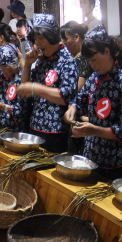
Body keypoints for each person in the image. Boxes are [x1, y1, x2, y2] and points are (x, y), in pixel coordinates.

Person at [65, 27, 122, 180]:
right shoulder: (94, 78)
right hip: (91, 155)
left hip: (114, 160)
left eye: (94, 60)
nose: (92, 65)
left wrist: (94, 130)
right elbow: (80, 100)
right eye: (89, 61)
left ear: (107, 52)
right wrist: (73, 108)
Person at [18, 14, 79, 153]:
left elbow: (66, 96)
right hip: (35, 126)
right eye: (36, 39)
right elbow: (24, 90)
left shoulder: (66, 60)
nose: (37, 44)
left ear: (52, 37)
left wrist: (36, 88)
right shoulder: (42, 60)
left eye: (41, 39)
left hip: (55, 132)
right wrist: (27, 65)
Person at [61, 21, 90, 92]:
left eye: (66, 39)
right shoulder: (72, 57)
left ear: (76, 37)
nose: (63, 43)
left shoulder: (84, 59)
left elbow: (76, 89)